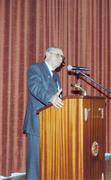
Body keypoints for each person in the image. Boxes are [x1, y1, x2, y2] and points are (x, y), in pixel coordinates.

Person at [23, 47, 65, 179]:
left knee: (49, 161)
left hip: (52, 123)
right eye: (58, 55)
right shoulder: (36, 68)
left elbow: (58, 98)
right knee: (35, 162)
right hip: (37, 122)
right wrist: (50, 98)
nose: (60, 59)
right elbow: (35, 88)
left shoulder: (56, 76)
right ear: (47, 55)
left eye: (62, 57)